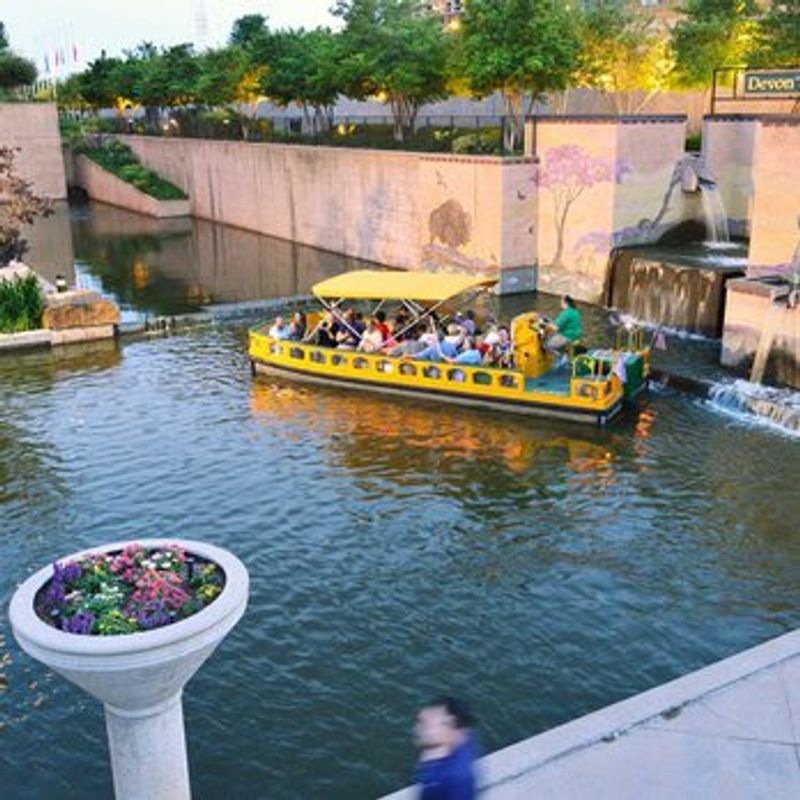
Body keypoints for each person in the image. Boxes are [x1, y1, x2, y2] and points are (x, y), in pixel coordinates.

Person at [414, 697, 478, 800]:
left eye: (427, 724)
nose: (418, 729)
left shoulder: (450, 779)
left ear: (450, 725)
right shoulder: (465, 739)